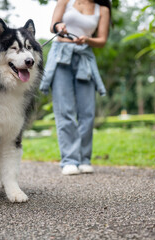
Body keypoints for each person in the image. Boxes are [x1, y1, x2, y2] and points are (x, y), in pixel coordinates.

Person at [40, 0, 111, 175]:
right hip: (61, 55)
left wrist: (88, 40)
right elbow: (52, 26)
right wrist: (59, 27)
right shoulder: (65, 1)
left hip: (84, 57)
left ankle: (84, 159)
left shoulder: (102, 8)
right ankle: (70, 160)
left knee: (87, 112)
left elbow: (102, 40)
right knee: (65, 110)